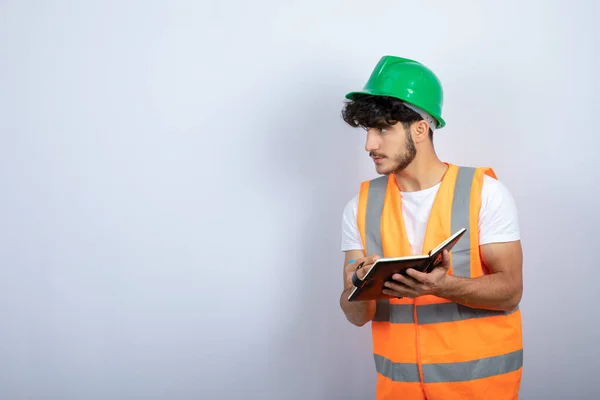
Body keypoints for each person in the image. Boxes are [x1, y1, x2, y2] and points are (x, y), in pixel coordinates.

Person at [338, 56, 523, 400]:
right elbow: (354, 315)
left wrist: (445, 286)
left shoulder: (484, 193)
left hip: (479, 390)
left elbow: (511, 291)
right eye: (368, 131)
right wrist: (359, 285)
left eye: (383, 129)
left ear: (420, 129)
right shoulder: (359, 207)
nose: (369, 145)